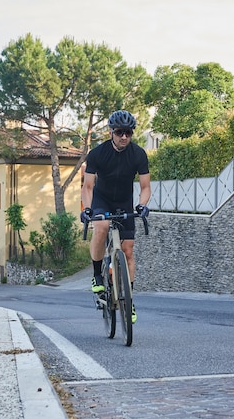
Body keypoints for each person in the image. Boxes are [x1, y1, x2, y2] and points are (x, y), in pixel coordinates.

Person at [81, 110, 151, 324]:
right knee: (101, 226)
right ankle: (97, 274)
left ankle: (129, 299)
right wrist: (88, 209)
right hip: (102, 199)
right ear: (111, 132)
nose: (124, 137)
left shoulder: (138, 154)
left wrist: (142, 205)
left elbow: (145, 187)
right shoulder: (97, 153)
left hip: (124, 202)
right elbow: (88, 186)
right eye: (120, 132)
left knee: (128, 251)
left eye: (128, 133)